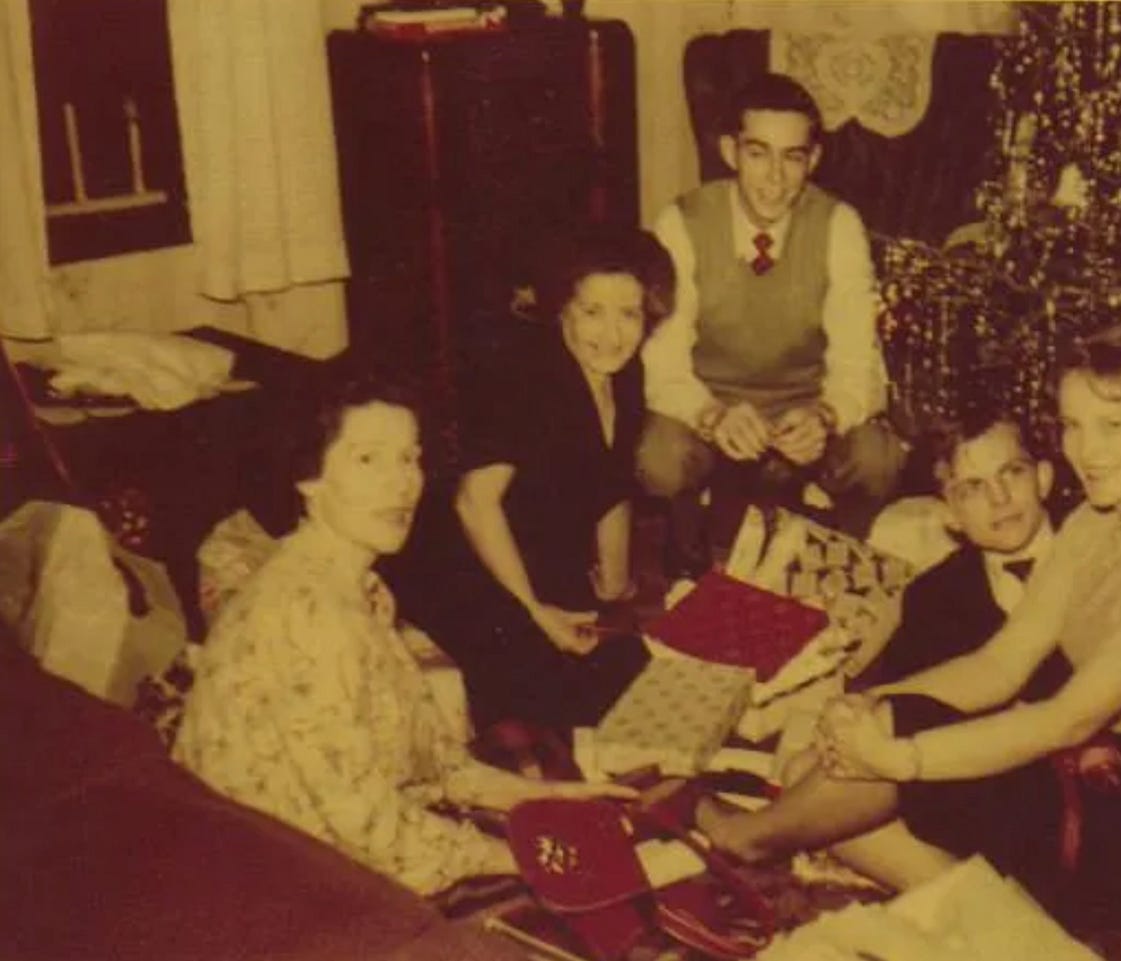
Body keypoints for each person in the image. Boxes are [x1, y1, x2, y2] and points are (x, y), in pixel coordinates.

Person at [699, 323, 1121, 929]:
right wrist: (870, 705)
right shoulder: (1095, 522)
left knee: (873, 772)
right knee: (835, 788)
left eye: (1111, 425)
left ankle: (745, 837)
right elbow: (1001, 663)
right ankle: (1010, 925)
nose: (1086, 451)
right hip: (1101, 759)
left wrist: (901, 756)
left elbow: (1066, 719)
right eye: (1072, 425)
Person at [172, 374, 633, 897]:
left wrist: (544, 797)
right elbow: (372, 831)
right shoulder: (309, 615)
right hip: (265, 883)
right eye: (369, 459)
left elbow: (434, 761)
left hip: (329, 844)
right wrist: (533, 860)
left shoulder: (358, 586)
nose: (401, 483)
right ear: (309, 478)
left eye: (409, 458)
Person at [387, 227, 673, 734]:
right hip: (455, 549)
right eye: (592, 311)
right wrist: (533, 612)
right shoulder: (521, 375)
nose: (612, 334)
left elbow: (611, 481)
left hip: (536, 546)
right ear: (562, 308)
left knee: (618, 654)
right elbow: (474, 502)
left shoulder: (626, 375)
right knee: (551, 691)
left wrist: (615, 586)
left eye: (628, 314)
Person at [637, 72, 903, 565]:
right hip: (713, 409)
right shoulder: (682, 222)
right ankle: (687, 541)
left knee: (878, 459)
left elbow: (859, 362)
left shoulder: (839, 224)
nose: (775, 178)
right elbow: (663, 362)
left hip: (804, 410)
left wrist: (825, 416)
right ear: (730, 151)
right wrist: (711, 416)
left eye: (793, 157)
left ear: (814, 159)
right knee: (659, 458)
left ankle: (842, 553)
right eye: (758, 153)